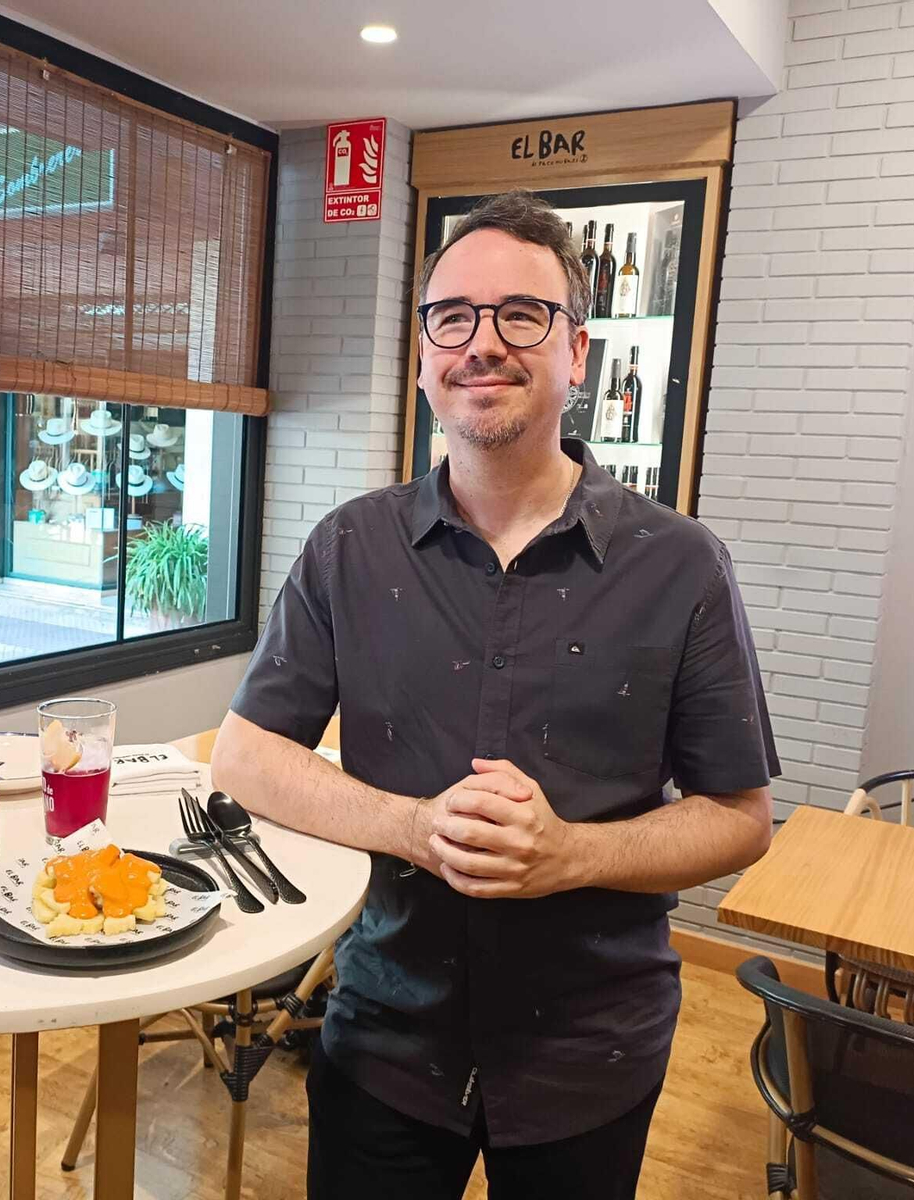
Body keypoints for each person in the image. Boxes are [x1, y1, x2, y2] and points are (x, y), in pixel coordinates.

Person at [210, 188, 778, 1199]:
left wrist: (571, 855)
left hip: (589, 1048)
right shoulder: (351, 546)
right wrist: (414, 827)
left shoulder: (681, 563)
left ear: (577, 353)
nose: (483, 344)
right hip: (383, 1031)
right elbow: (245, 756)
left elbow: (739, 818)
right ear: (423, 354)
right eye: (453, 317)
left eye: (522, 315)